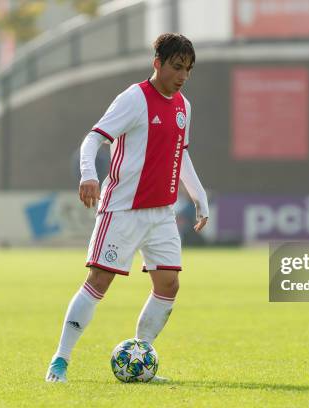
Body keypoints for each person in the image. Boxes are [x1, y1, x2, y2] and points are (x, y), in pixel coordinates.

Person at [45, 33, 209, 383]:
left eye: (188, 69)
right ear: (158, 63)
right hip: (122, 210)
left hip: (162, 213)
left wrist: (199, 196)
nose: (183, 76)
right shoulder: (134, 99)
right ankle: (60, 360)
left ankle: (140, 357)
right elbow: (94, 139)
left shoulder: (184, 105)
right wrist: (88, 175)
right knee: (99, 281)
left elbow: (182, 153)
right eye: (177, 67)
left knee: (169, 285)